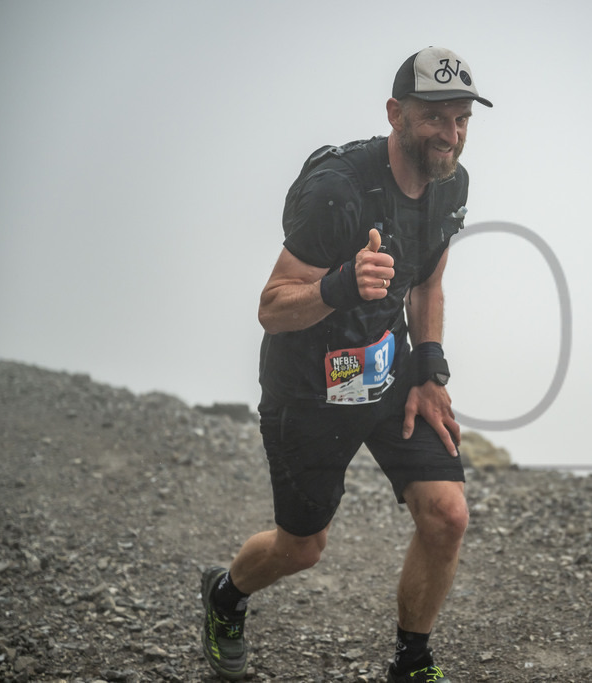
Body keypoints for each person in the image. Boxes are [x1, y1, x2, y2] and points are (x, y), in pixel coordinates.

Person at [200, 46, 492, 683]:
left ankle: (412, 663)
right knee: (301, 548)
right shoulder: (338, 191)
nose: (450, 134)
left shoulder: (451, 184)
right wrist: (339, 285)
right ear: (395, 113)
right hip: (308, 391)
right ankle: (225, 595)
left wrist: (430, 372)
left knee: (447, 516)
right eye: (434, 117)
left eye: (462, 118)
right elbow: (272, 307)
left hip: (386, 375)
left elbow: (426, 284)